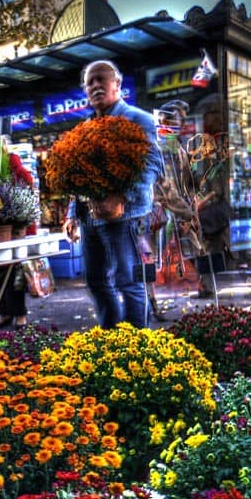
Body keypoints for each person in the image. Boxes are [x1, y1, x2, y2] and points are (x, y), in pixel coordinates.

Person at [62, 59, 163, 329]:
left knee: (128, 280)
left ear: (117, 84)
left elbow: (153, 164)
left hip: (125, 216)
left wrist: (121, 197)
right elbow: (77, 175)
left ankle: (137, 343)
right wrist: (73, 213)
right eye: (90, 82)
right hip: (90, 218)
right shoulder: (85, 127)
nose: (95, 85)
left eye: (101, 79)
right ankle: (112, 336)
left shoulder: (137, 119)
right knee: (95, 280)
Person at [0, 148, 35, 329]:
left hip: (17, 229)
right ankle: (4, 312)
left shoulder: (16, 167)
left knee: (15, 274)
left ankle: (20, 313)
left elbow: (28, 186)